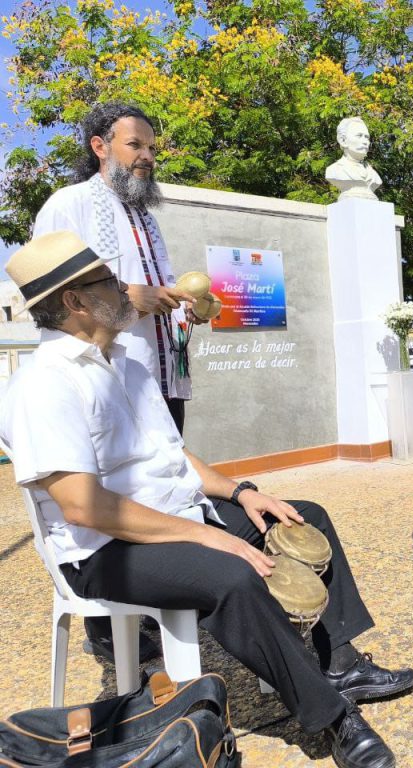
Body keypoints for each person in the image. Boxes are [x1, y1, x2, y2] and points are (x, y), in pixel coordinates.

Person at [1, 231, 413, 768]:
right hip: (105, 549)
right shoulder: (42, 386)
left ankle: (338, 662)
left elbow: (176, 455)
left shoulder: (126, 364)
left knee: (303, 517)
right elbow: (83, 506)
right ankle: (333, 718)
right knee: (232, 574)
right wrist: (209, 535)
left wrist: (244, 493)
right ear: (74, 302)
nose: (126, 289)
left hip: (175, 516)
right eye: (108, 281)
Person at [33, 102, 200, 663]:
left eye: (152, 147)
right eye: (136, 146)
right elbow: (58, 296)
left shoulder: (147, 216)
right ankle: (112, 626)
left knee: (163, 479)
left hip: (156, 375)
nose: (149, 157)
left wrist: (185, 306)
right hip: (101, 378)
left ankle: (175, 591)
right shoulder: (69, 205)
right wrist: (136, 297)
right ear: (100, 146)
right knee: (116, 490)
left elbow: (162, 287)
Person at [325, 117, 383, 200]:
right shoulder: (334, 170)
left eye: (367, 137)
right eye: (359, 136)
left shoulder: (374, 175)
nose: (365, 142)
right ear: (343, 141)